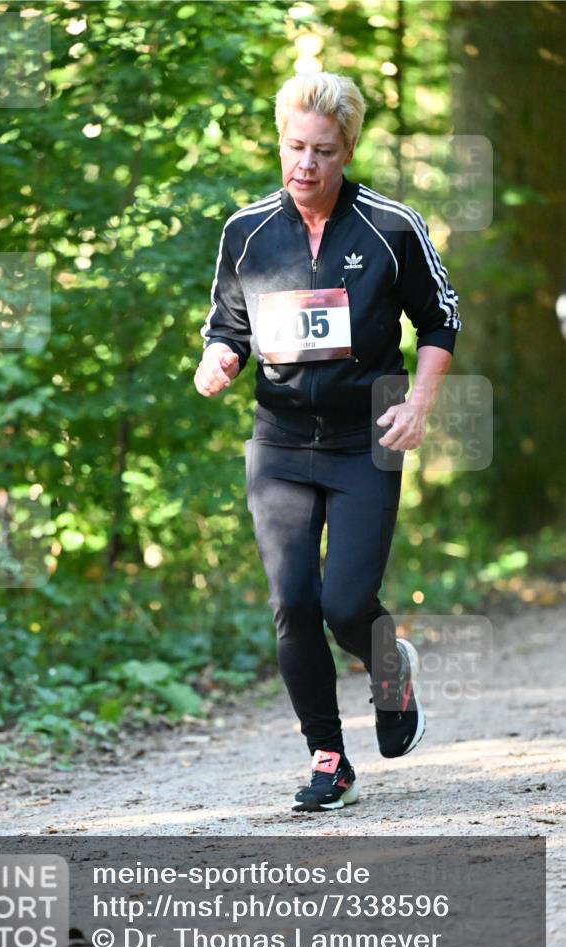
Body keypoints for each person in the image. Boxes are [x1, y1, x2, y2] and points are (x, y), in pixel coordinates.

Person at [194, 72, 460, 812]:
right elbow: (228, 326)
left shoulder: (389, 225)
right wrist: (217, 358)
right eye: (293, 147)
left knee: (345, 602)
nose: (303, 165)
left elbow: (440, 318)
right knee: (291, 601)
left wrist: (418, 403)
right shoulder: (246, 230)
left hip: (364, 435)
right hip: (278, 442)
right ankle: (328, 757)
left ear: (347, 151)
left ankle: (389, 675)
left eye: (322, 151)